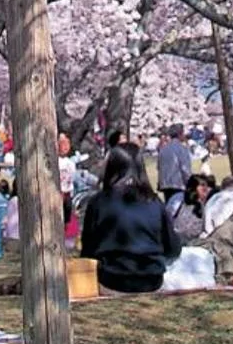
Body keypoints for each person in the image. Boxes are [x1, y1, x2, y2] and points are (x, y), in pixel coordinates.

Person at [80, 144, 181, 294]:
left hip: (112, 278)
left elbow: (88, 249)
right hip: (151, 279)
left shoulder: (98, 202)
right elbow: (172, 248)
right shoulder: (154, 202)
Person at [155, 124, 193, 200]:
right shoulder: (182, 149)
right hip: (178, 184)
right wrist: (190, 183)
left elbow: (159, 167)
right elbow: (185, 169)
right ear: (180, 134)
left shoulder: (163, 149)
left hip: (165, 184)